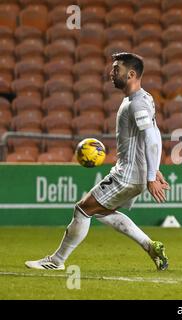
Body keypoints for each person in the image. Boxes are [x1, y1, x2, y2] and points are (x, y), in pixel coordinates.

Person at [25, 52, 170, 271]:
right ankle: (151, 247)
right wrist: (153, 168)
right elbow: (156, 133)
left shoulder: (137, 104)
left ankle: (56, 261)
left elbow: (151, 137)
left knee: (82, 209)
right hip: (132, 173)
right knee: (101, 211)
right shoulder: (144, 98)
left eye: (116, 69)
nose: (111, 73)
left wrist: (152, 177)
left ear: (131, 74)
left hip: (127, 175)